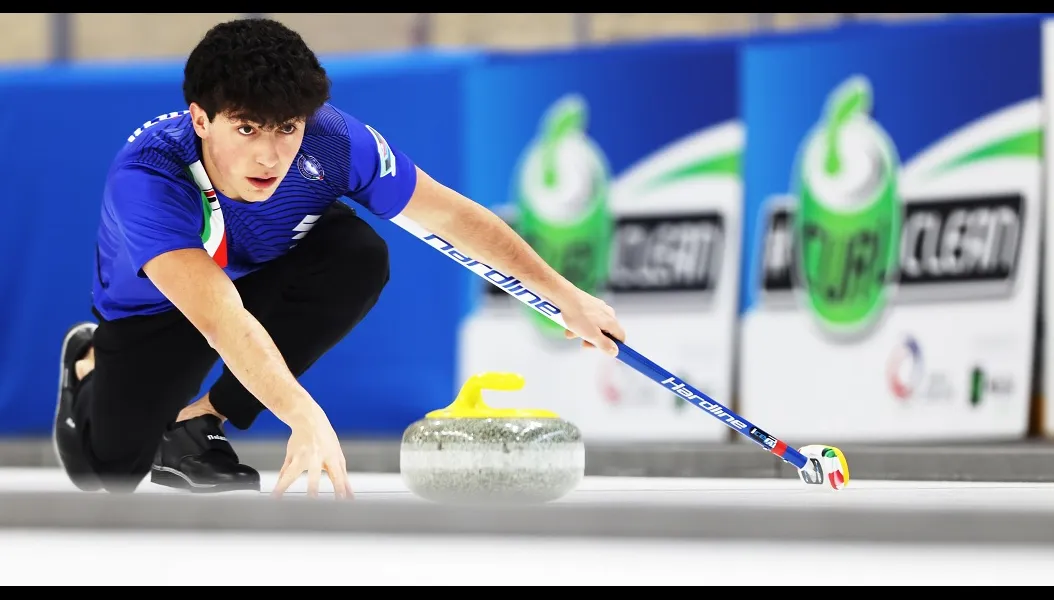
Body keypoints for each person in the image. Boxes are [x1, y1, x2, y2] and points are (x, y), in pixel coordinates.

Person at [53, 17, 627, 499]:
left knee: (357, 253)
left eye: (286, 129)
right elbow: (219, 318)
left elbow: (450, 216)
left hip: (260, 273)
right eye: (247, 128)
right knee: (106, 471)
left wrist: (565, 296)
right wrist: (305, 416)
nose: (269, 155)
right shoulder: (150, 176)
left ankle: (201, 421)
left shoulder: (336, 142)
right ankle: (88, 361)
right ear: (202, 119)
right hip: (166, 307)